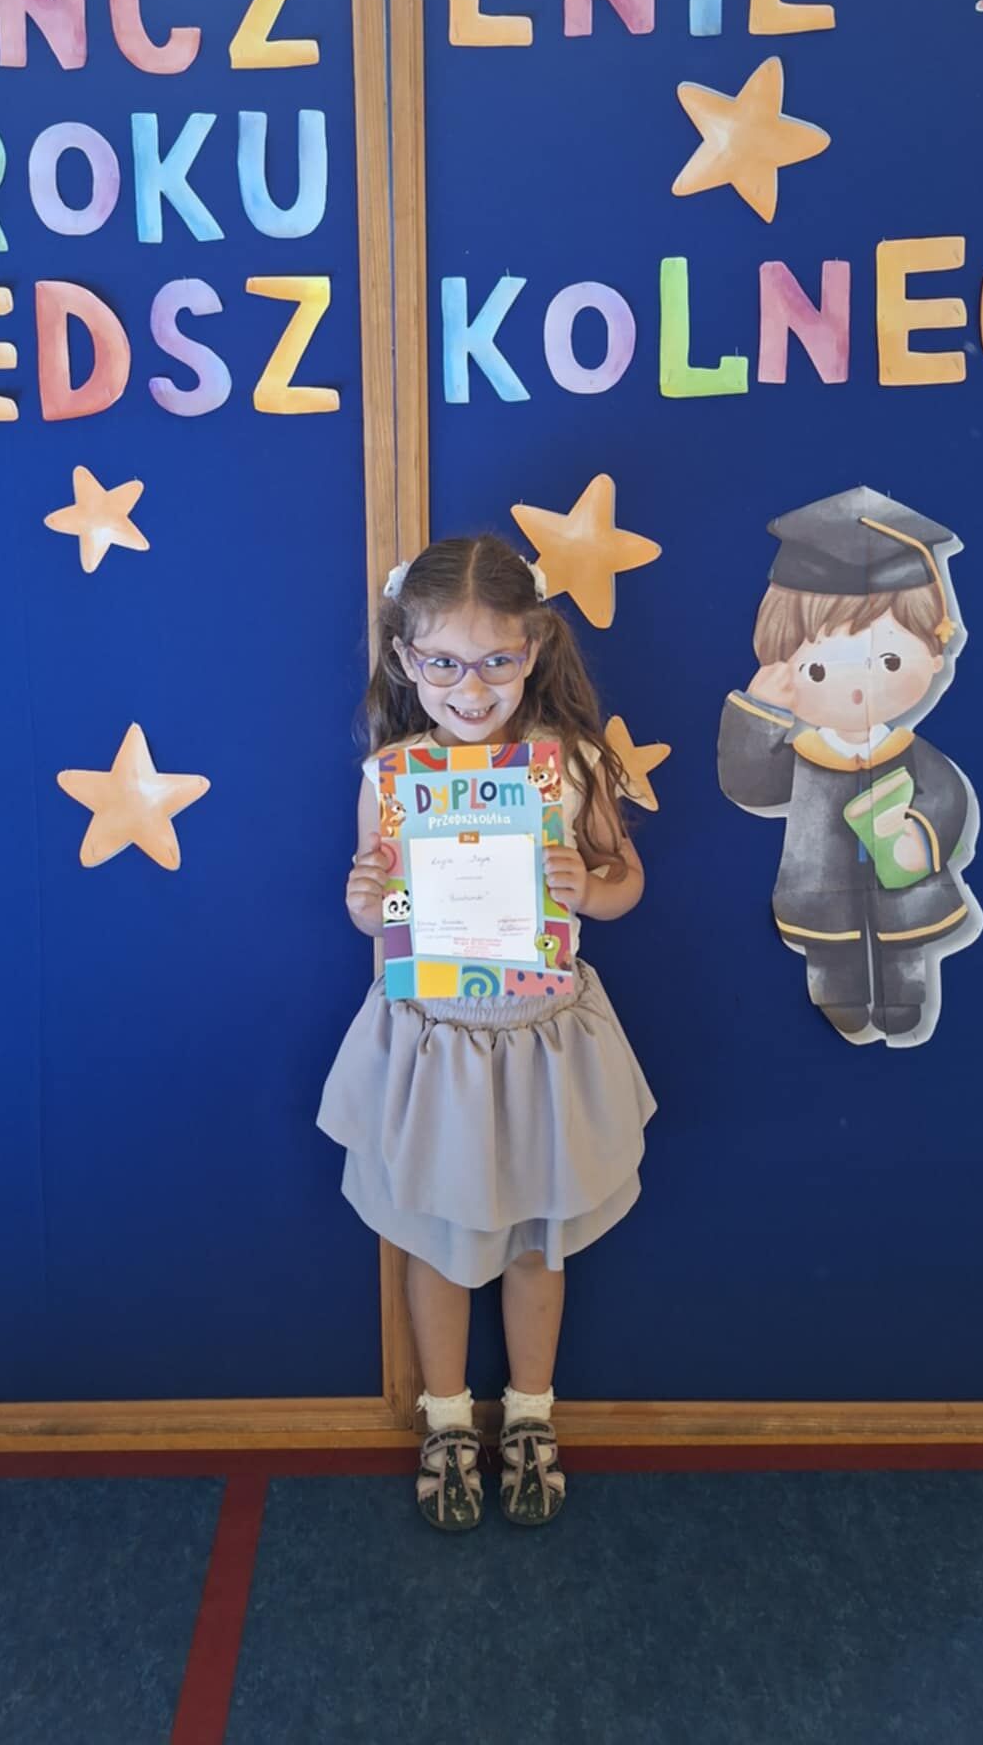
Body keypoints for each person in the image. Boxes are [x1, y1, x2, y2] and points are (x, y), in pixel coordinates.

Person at [317, 535, 657, 1531]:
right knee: (440, 1234)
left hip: (541, 1038)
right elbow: (380, 912)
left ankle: (532, 1413)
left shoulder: (570, 764)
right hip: (435, 1041)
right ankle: (447, 1420)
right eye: (444, 664)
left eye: (496, 661)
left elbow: (626, 881)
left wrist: (588, 887)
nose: (471, 688)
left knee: (538, 1239)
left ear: (534, 648)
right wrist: (365, 902)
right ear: (405, 660)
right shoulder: (392, 774)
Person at [717, 486, 981, 1045]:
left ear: (935, 652)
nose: (858, 688)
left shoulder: (909, 753)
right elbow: (751, 784)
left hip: (903, 892)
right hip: (820, 892)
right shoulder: (807, 760)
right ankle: (839, 996)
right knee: (830, 959)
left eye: (889, 660)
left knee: (904, 950)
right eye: (816, 670)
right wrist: (759, 713)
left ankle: (903, 995)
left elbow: (944, 796)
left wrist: (919, 838)